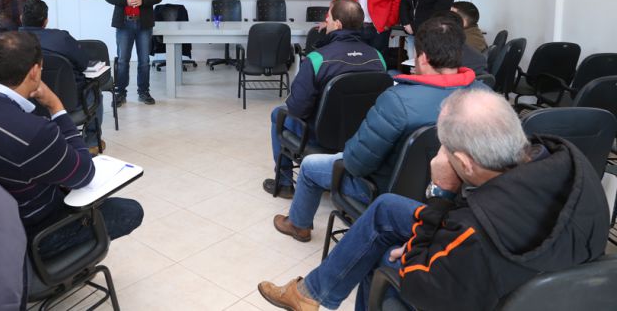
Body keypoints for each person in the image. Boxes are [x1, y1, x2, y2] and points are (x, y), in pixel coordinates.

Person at [257, 89, 609, 311]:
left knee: (382, 258)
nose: (440, 156)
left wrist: (440, 194)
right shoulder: (567, 158)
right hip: (552, 268)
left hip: (487, 283)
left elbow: (419, 279)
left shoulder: (470, 236)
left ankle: (316, 294)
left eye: (446, 151)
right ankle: (310, 293)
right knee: (387, 208)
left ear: (467, 164)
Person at [0, 32, 143, 258]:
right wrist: (56, 107)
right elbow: (84, 173)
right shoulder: (34, 132)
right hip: (27, 233)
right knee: (129, 211)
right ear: (35, 71)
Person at [273, 14, 480, 243]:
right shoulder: (486, 96)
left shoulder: (398, 100)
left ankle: (298, 225)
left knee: (310, 166)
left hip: (385, 189)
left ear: (421, 58)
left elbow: (355, 163)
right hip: (451, 196)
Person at [263, 0, 387, 198]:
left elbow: (297, 109)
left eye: (328, 17)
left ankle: (285, 183)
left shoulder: (317, 58)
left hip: (321, 136)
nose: (325, 21)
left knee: (278, 114)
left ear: (337, 24)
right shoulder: (378, 57)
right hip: (362, 135)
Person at [19, 0, 104, 154]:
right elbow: (84, 63)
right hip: (68, 102)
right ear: (45, 21)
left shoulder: (9, 41)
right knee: (95, 90)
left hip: (25, 104)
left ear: (21, 18)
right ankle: (91, 143)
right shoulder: (61, 38)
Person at [104, 0, 163, 106]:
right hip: (124, 24)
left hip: (144, 24)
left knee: (144, 61)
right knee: (122, 61)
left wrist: (143, 0)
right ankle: (120, 93)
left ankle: (144, 92)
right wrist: (126, 0)